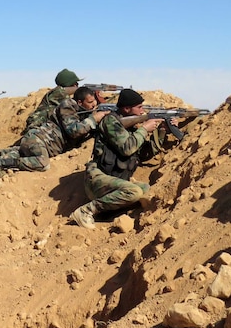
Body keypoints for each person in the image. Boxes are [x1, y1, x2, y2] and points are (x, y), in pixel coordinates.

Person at [0, 86, 106, 176]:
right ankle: (1, 164)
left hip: (38, 144)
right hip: (37, 141)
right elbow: (74, 131)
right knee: (41, 164)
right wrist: (94, 119)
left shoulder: (81, 111)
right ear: (80, 102)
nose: (93, 106)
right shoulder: (68, 106)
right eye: (90, 102)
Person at [70, 89, 178, 230]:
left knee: (145, 189)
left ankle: (109, 212)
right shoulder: (110, 122)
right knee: (134, 192)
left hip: (114, 180)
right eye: (139, 107)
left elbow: (144, 154)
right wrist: (144, 129)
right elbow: (127, 148)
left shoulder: (130, 127)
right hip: (97, 179)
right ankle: (85, 211)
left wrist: (162, 130)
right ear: (126, 109)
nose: (142, 111)